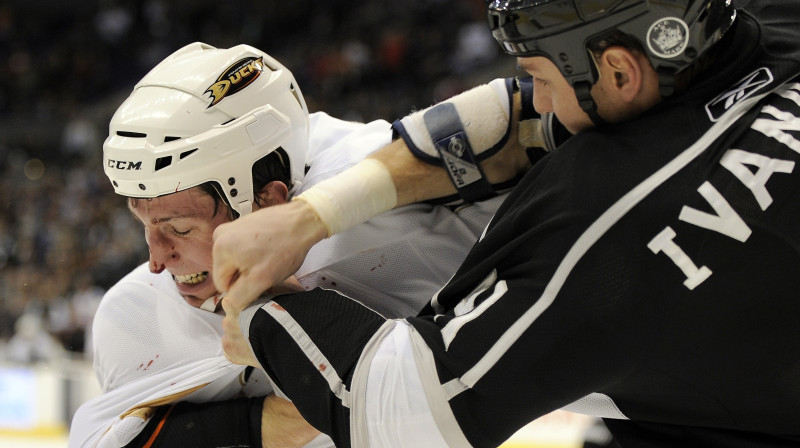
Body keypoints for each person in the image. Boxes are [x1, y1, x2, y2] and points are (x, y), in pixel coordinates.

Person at [216, 1, 800, 447]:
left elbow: (408, 412)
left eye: (541, 77)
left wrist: (262, 315)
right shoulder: (763, 22)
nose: (537, 100)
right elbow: (513, 121)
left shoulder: (603, 234)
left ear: (621, 72)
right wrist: (314, 214)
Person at [68, 41, 536, 448]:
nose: (155, 260)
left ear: (268, 202)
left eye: (181, 229)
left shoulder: (384, 187)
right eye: (142, 222)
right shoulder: (131, 317)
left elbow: (540, 117)